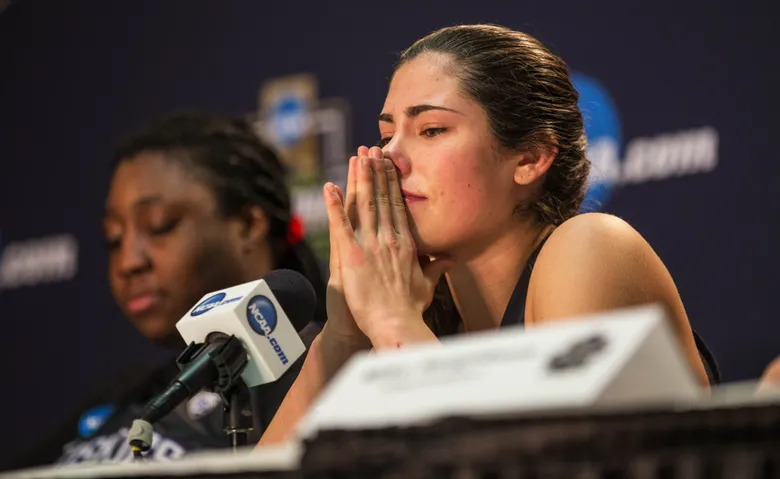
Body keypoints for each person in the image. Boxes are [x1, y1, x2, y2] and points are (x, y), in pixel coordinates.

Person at [257, 24, 720, 446]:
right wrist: (345, 334)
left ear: (529, 158)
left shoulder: (590, 248)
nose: (389, 159)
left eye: (432, 130)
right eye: (385, 136)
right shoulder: (422, 316)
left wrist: (393, 323)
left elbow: (544, 463)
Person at [11, 112, 326, 468]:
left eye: (159, 226)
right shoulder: (123, 397)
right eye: (113, 239)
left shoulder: (325, 367)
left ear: (247, 224)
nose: (129, 261)